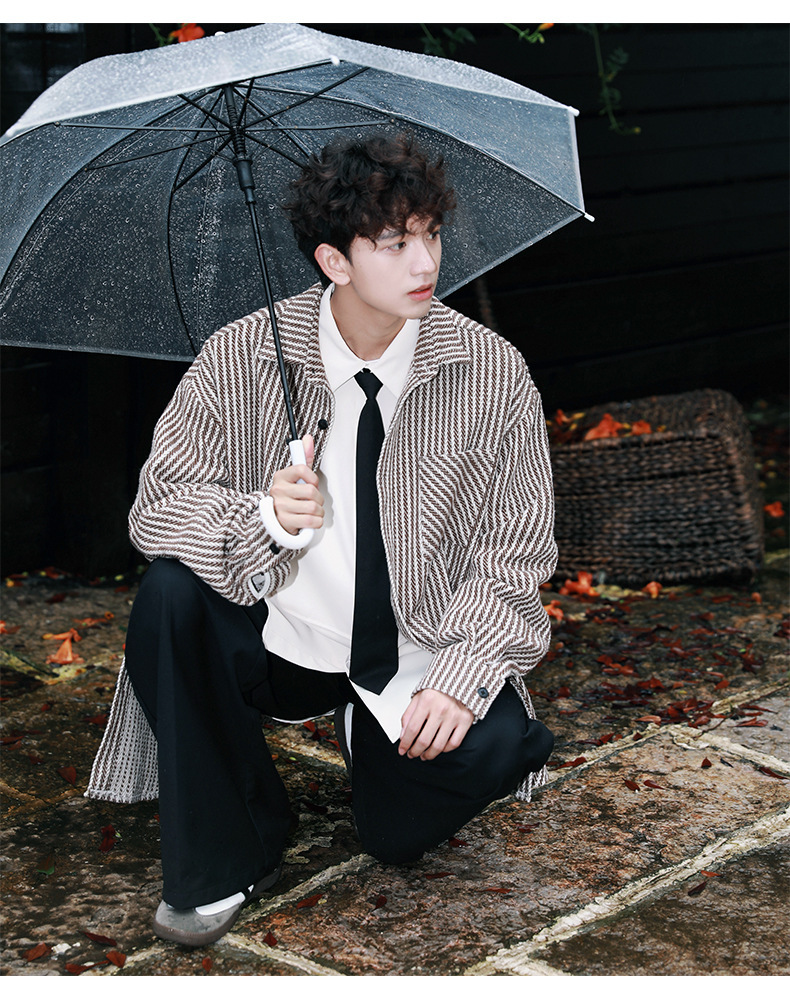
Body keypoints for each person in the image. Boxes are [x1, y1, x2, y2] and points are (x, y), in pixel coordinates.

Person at [86, 132, 557, 947]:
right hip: (280, 637)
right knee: (169, 595)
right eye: (394, 243)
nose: (425, 262)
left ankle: (369, 733)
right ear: (334, 261)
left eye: (431, 235)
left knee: (432, 805)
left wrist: (461, 678)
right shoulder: (241, 356)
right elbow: (157, 506)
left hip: (412, 645)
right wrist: (262, 520)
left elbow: (515, 551)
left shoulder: (490, 370)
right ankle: (231, 846)